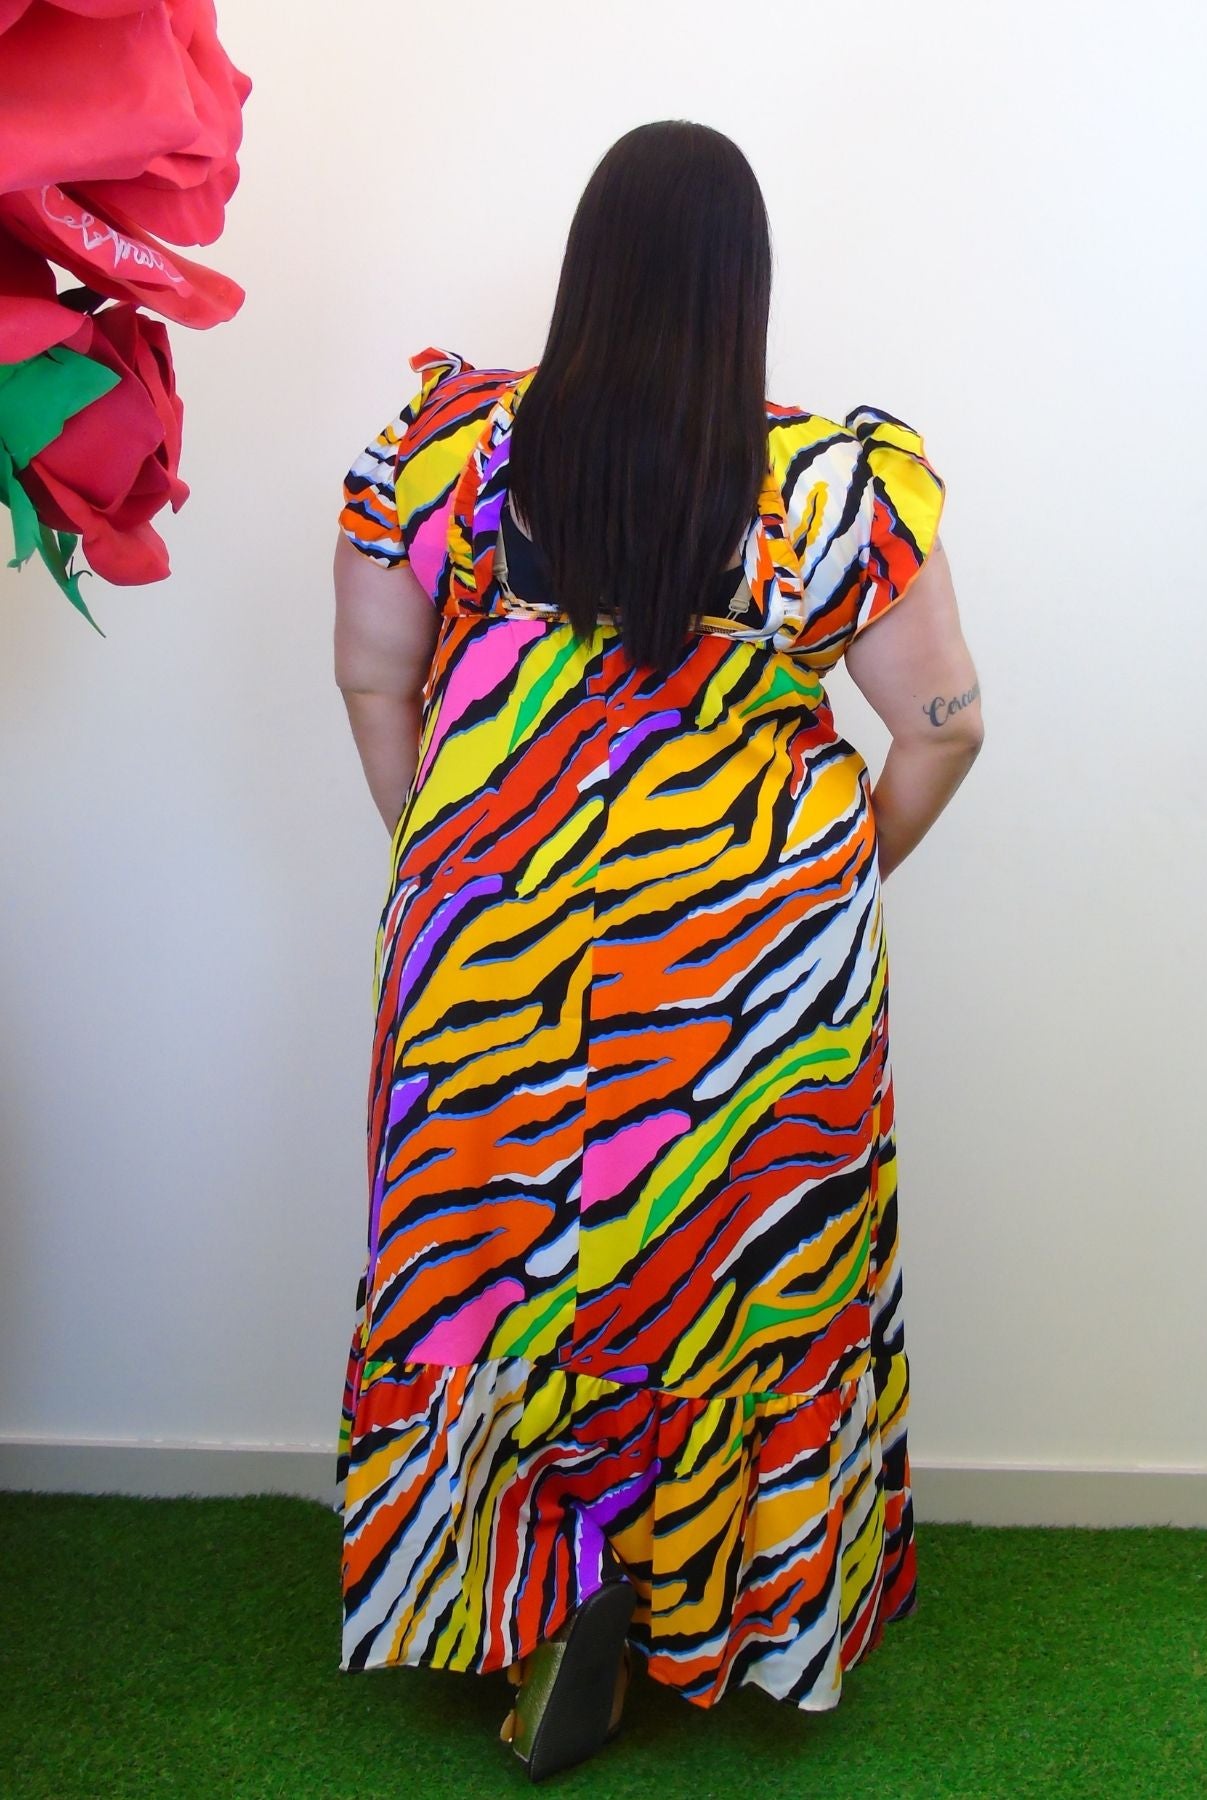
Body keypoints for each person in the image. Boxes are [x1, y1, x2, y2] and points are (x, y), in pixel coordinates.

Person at [331, 118, 984, 1784]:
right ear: (741, 286)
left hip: (494, 943)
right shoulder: (830, 485)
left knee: (500, 1264)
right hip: (759, 961)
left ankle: (539, 1600)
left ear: (587, 266)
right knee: (736, 1281)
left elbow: (372, 674)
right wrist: (838, 879)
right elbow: (943, 727)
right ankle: (726, 1609)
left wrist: (449, 862)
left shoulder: (445, 447)